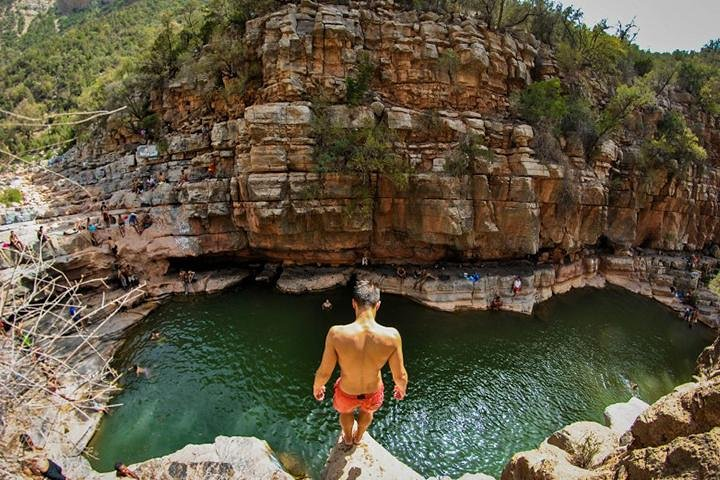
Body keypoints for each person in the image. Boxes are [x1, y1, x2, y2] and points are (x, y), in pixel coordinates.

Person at [313, 280, 408, 448]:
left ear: (353, 303)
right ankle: (359, 437)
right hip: (373, 391)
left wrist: (318, 387)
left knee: (345, 412)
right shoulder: (392, 336)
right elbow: (400, 375)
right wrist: (401, 389)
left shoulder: (336, 334)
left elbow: (324, 372)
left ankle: (348, 438)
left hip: (346, 391)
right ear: (378, 305)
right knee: (368, 411)